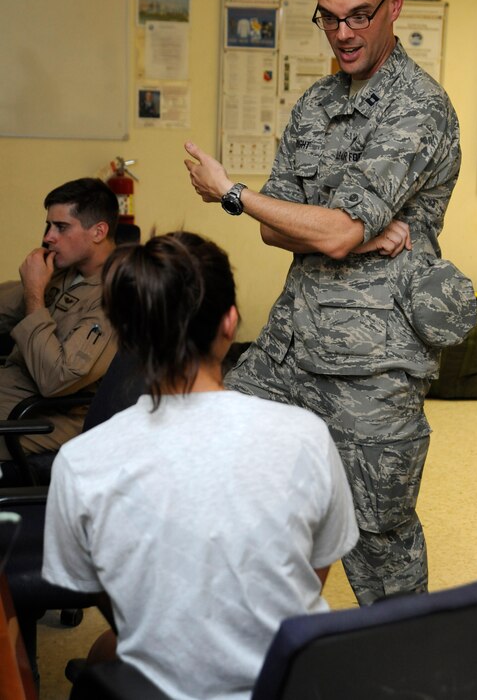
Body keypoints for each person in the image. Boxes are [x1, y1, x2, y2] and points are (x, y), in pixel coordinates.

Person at [184, 0, 476, 605]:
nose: (342, 33)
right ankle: (271, 638)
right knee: (235, 478)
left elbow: (329, 230)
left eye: (358, 15)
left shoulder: (417, 110)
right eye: (328, 18)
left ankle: (405, 675)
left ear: (393, 7)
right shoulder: (315, 105)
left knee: (379, 540)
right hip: (291, 346)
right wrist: (347, 232)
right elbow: (274, 226)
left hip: (373, 365)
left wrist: (237, 193)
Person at [42, 231, 358, 699]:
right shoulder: (306, 435)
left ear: (124, 335)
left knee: (104, 655)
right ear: (230, 323)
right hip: (292, 683)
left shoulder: (81, 461)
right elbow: (312, 575)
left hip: (164, 689)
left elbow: (98, 591)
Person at [0, 178, 119, 475]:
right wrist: (31, 285)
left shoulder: (114, 294)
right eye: (48, 226)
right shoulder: (65, 272)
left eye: (61, 227)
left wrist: (35, 294)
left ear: (98, 232)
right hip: (11, 393)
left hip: (43, 414)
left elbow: (57, 380)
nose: (48, 237)